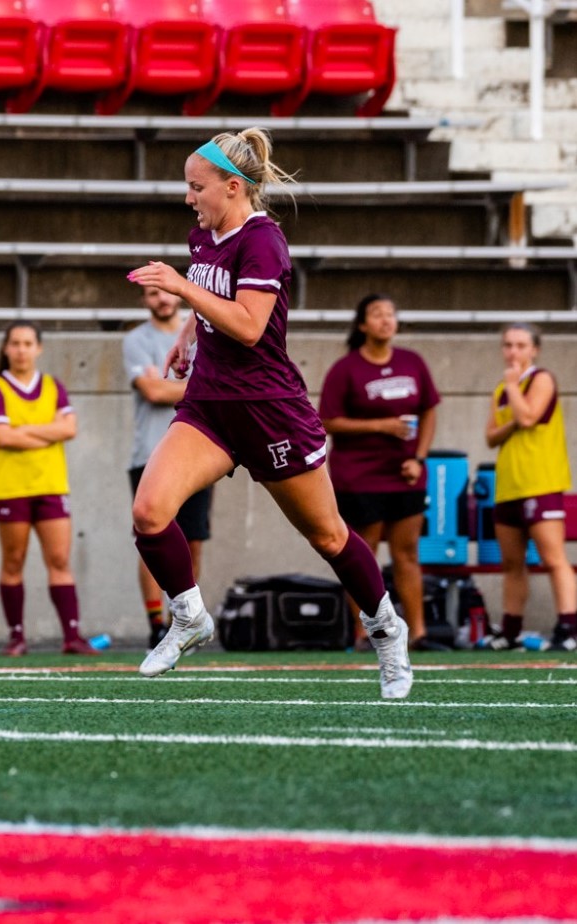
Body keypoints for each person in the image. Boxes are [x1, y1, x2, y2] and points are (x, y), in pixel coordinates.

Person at [125, 128, 413, 699]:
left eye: (196, 187)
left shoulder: (263, 242)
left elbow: (251, 327)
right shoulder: (203, 234)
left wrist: (182, 291)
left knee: (329, 537)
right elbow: (214, 297)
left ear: (233, 188)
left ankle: (387, 631)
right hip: (209, 405)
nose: (189, 198)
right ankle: (188, 618)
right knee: (149, 513)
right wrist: (188, 334)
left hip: (268, 411)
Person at [318, 294, 444, 652]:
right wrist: (382, 426)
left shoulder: (412, 362)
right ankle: (367, 635)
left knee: (407, 554)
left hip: (404, 474)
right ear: (362, 325)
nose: (386, 320)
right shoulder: (346, 369)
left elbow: (429, 410)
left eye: (391, 314)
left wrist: (419, 457)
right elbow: (328, 421)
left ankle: (418, 634)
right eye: (377, 314)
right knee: (364, 554)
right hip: (359, 477)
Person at [0, 321, 97, 656]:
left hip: (50, 484)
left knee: (60, 558)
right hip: (11, 486)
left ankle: (71, 637)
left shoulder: (53, 386)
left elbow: (71, 429)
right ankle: (16, 636)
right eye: (15, 343)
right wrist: (49, 430)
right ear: (6, 348)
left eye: (28, 343)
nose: (21, 349)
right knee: (14, 560)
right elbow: (2, 437)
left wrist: (24, 431)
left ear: (39, 348)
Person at [123, 286, 214, 648]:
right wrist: (206, 386)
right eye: (151, 294)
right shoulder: (136, 339)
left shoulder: (202, 335)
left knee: (192, 542)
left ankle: (184, 618)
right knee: (152, 538)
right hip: (150, 452)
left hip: (199, 452)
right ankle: (156, 623)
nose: (160, 299)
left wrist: (183, 385)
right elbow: (154, 391)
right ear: (144, 300)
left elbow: (166, 387)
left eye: (165, 292)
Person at [483, 322, 575, 652]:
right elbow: (490, 437)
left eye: (521, 345)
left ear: (534, 349)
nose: (513, 352)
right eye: (508, 344)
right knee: (512, 563)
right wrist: (508, 394)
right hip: (509, 485)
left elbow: (527, 418)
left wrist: (513, 388)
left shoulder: (542, 379)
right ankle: (510, 631)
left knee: (553, 559)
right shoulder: (501, 388)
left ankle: (568, 628)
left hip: (540, 482)